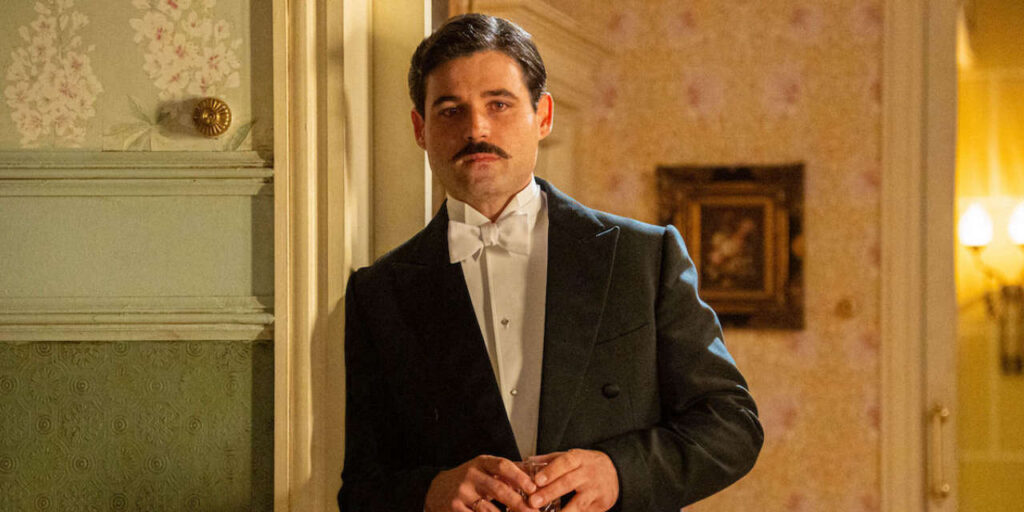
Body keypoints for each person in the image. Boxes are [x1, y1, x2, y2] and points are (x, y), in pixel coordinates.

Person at [339, 13, 762, 512]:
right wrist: (432, 491)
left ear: (543, 116)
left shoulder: (642, 257)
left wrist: (618, 472)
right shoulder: (380, 292)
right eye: (451, 110)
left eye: (499, 104)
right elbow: (362, 486)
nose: (476, 128)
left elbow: (732, 424)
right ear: (420, 129)